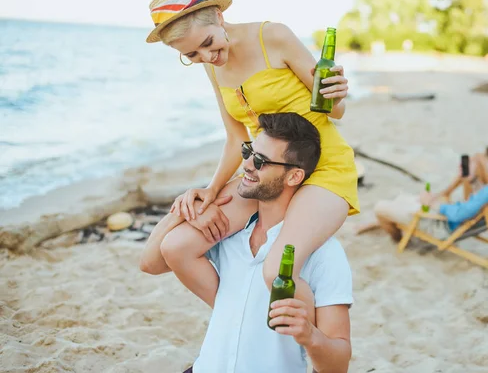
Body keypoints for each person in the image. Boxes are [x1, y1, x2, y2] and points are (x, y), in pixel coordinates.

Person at [142, 0, 359, 306]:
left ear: (217, 15)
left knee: (276, 272)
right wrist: (210, 191)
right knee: (177, 248)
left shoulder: (273, 36)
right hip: (264, 172)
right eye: (191, 55)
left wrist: (337, 91)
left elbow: (336, 110)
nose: (207, 57)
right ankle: (233, 321)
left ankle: (311, 335)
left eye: (208, 43)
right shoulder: (212, 66)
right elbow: (235, 139)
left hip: (323, 169)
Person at [143, 113, 353, 373]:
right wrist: (185, 208)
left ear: (294, 177)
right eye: (248, 151)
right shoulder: (229, 233)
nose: (247, 165)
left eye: (261, 161)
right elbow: (150, 262)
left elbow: (339, 364)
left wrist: (310, 334)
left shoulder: (322, 253)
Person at [373, 139, 488, 241]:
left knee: (380, 207)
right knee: (402, 199)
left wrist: (434, 204)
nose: (487, 167)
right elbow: (478, 204)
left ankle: (402, 241)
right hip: (455, 218)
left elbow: (459, 214)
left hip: (443, 227)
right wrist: (473, 181)